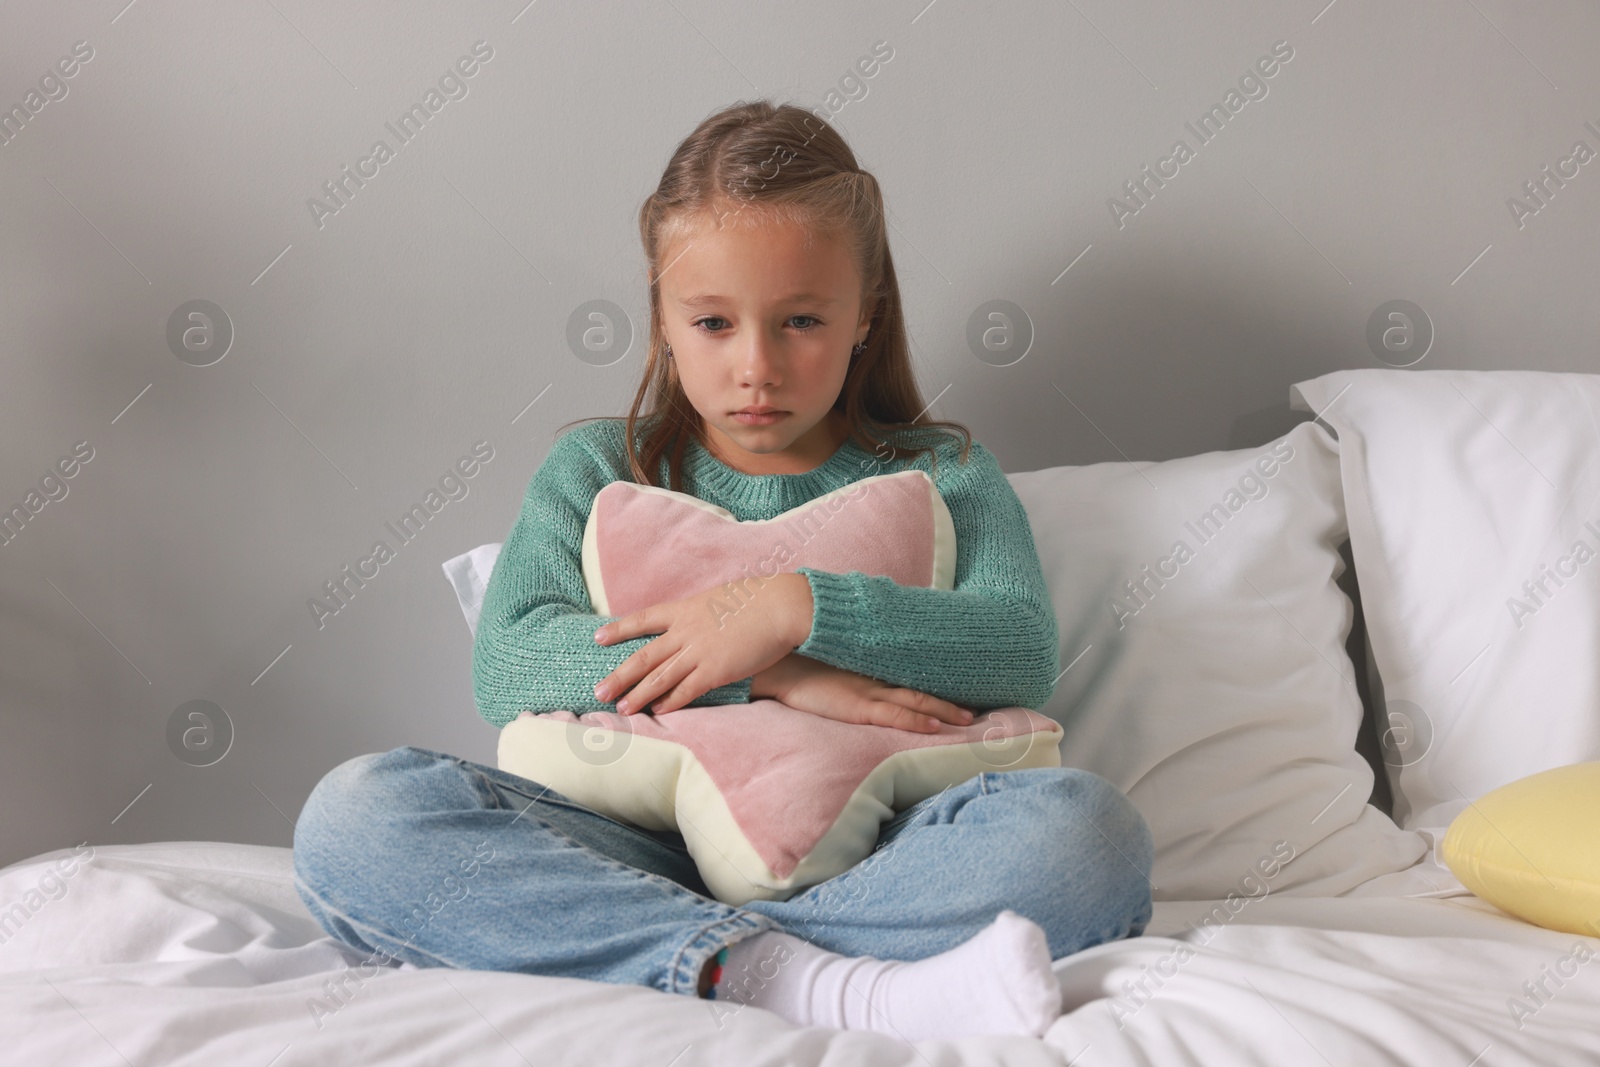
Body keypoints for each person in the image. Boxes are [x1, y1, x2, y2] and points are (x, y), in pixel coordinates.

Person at [293, 99, 1154, 1043]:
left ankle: (715, 961)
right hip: (633, 849)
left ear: (864, 315)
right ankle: (817, 982)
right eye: (712, 322)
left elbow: (1018, 649)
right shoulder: (595, 467)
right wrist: (765, 668)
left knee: (1086, 834)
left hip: (883, 850)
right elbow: (511, 661)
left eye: (800, 321)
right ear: (662, 316)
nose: (757, 367)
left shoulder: (942, 471)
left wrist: (794, 605)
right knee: (360, 814)